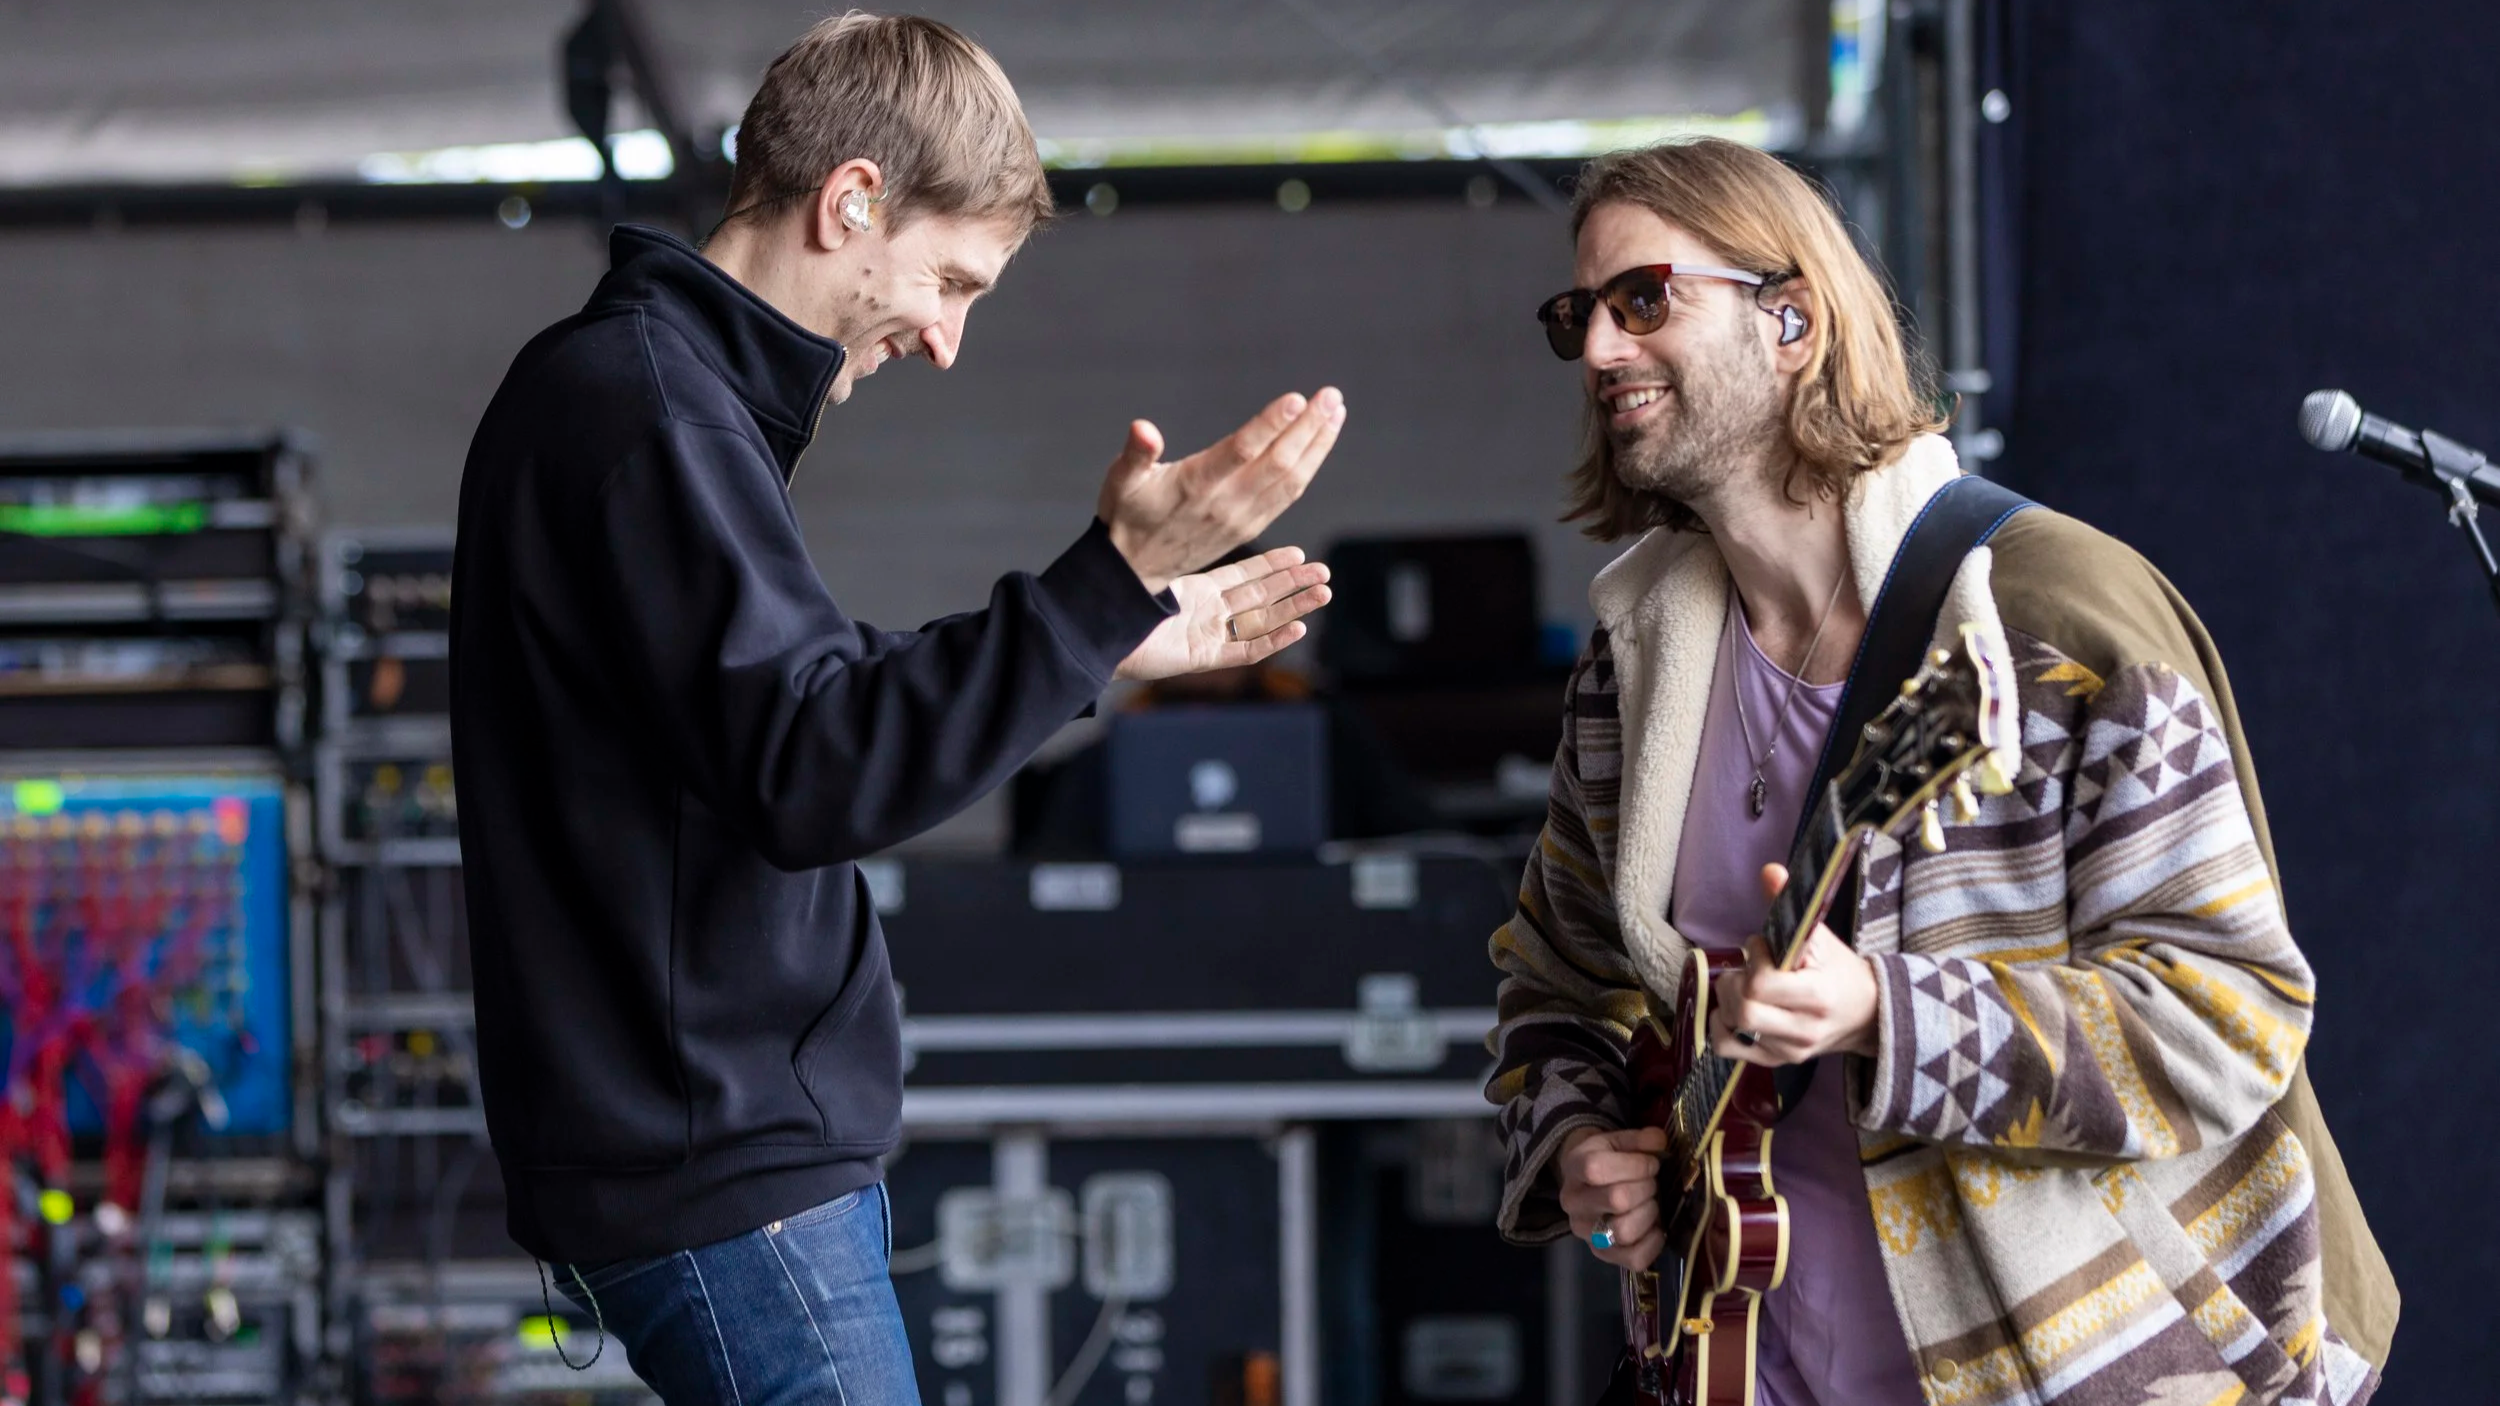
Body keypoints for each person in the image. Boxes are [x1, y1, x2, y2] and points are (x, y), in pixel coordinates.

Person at [448, 13, 1343, 1403]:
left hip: (720, 1172)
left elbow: (786, 703)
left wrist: (1106, 645)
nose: (945, 339)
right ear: (852, 198)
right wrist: (1105, 583)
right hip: (724, 1181)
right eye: (952, 279)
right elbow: (815, 766)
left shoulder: (660, 403)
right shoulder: (650, 412)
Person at [1484, 138, 2394, 1405]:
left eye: (1644, 300)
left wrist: (1886, 1015)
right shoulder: (1635, 668)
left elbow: (2226, 1015)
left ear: (1789, 315)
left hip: (2085, 1368)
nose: (1597, 351)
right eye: (1578, 315)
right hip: (1739, 1364)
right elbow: (1553, 985)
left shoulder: (2047, 619)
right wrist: (1584, 1144)